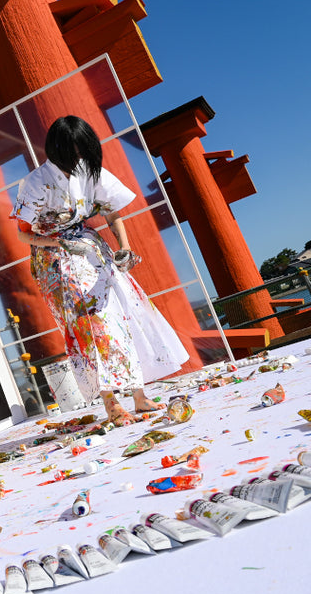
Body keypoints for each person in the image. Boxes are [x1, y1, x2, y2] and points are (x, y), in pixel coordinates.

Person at [13, 115, 188, 424]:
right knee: (93, 327)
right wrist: (60, 244)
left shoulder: (89, 171)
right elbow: (23, 234)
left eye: (83, 151)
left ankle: (139, 395)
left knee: (125, 314)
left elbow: (112, 213)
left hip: (92, 249)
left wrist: (124, 247)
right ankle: (111, 403)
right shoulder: (36, 182)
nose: (79, 158)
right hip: (56, 259)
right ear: (57, 149)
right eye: (74, 152)